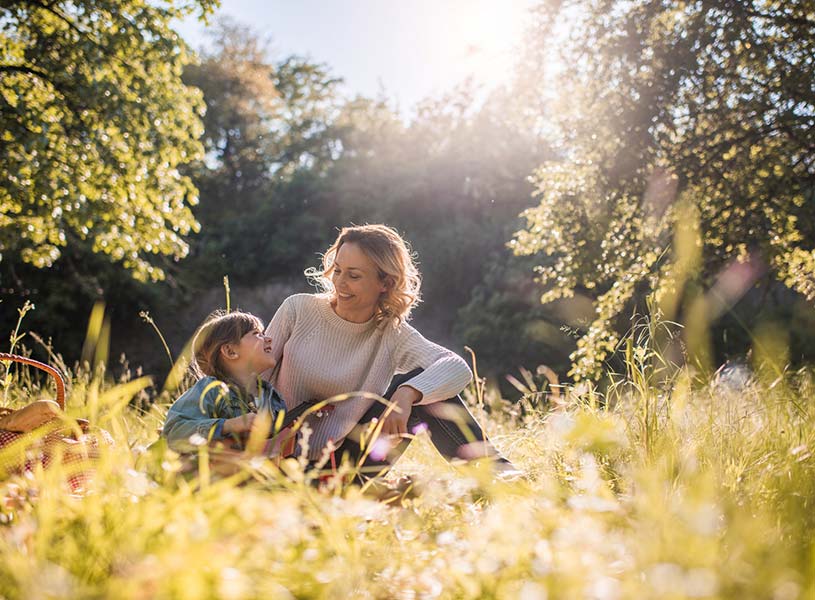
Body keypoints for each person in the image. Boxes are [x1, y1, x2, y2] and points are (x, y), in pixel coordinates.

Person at [264, 224, 515, 480]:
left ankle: (499, 478)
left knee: (423, 387)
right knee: (417, 385)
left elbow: (457, 367)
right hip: (276, 458)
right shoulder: (298, 309)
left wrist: (406, 395)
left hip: (343, 467)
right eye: (337, 270)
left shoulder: (391, 333)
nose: (339, 282)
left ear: (385, 282)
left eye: (354, 275)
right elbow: (253, 376)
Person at [162, 310, 289, 454]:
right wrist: (228, 425)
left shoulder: (274, 399)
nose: (269, 339)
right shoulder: (211, 390)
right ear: (230, 351)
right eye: (257, 334)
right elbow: (173, 433)